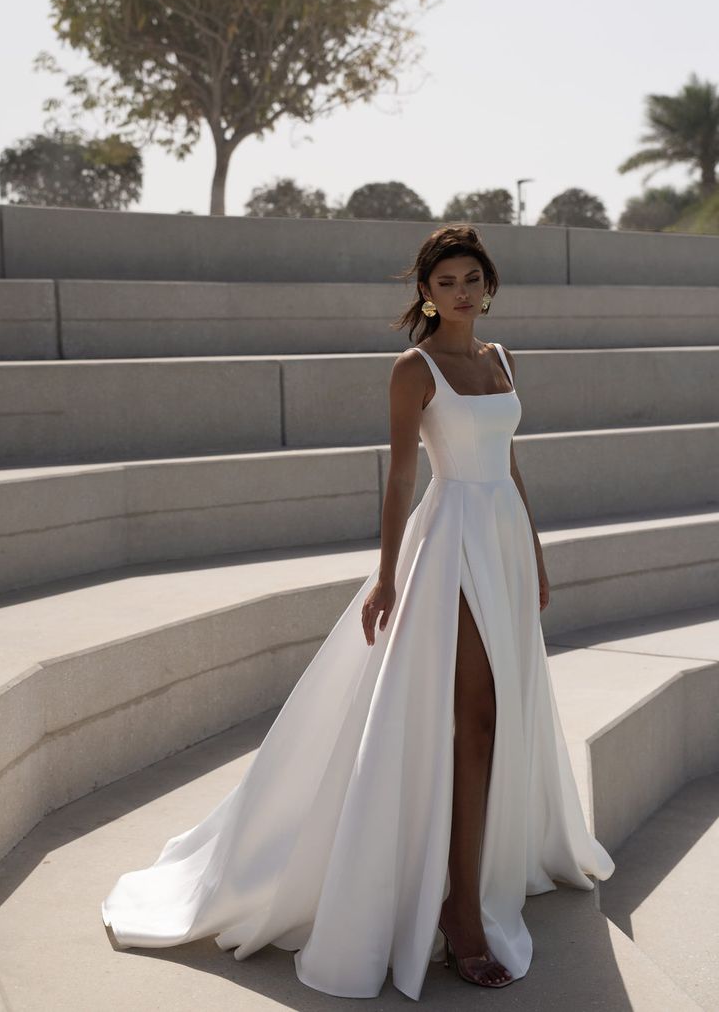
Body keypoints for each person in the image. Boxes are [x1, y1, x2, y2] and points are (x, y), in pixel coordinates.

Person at [102, 224, 615, 1001]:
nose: (462, 292)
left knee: (498, 720)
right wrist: (384, 577)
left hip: (503, 543)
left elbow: (509, 464)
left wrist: (535, 554)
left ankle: (465, 889)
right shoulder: (415, 368)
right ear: (425, 294)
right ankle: (462, 917)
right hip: (449, 547)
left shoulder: (501, 360)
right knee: (471, 721)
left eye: (473, 278)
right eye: (446, 282)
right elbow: (402, 480)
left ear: (490, 284)